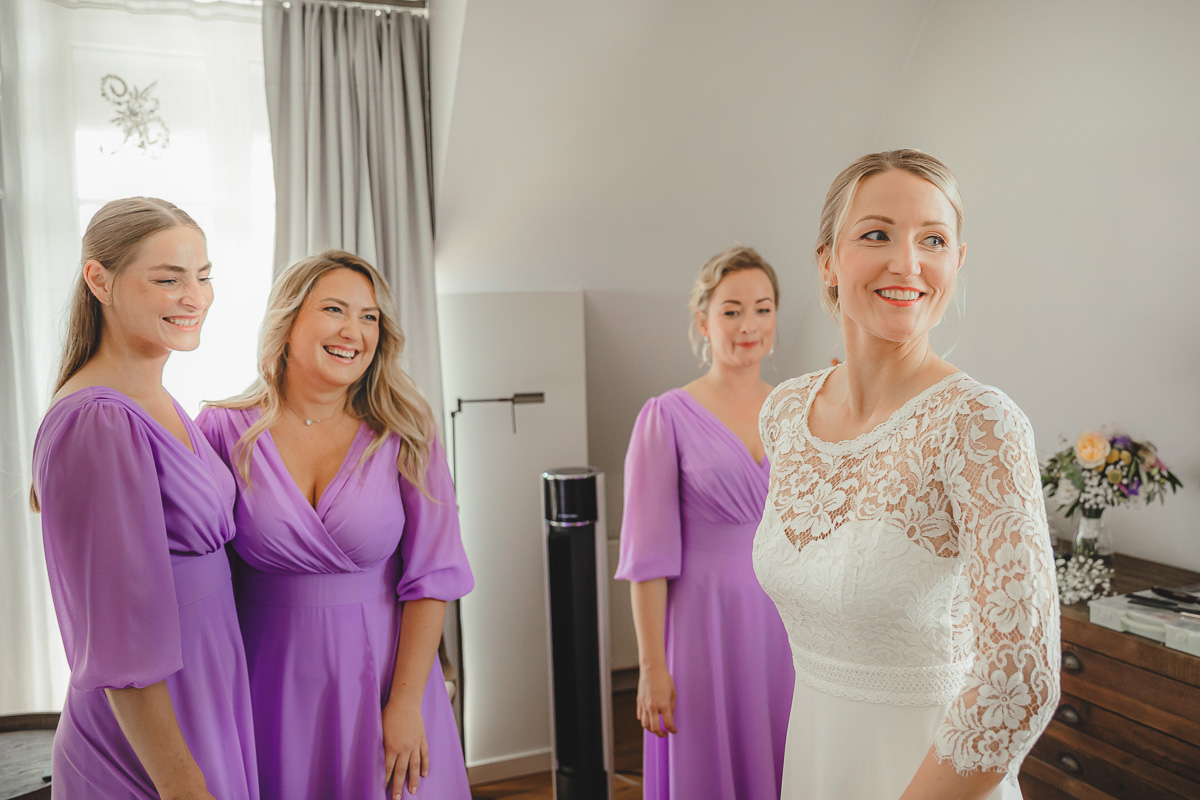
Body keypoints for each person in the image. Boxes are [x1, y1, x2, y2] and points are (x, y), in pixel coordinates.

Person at [754, 150, 1060, 800]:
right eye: (877, 234)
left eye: (933, 240)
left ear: (957, 261)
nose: (908, 263)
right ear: (827, 260)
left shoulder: (979, 424)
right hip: (815, 763)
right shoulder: (784, 412)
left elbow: (1020, 679)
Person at [197, 250, 473, 800]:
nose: (354, 331)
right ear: (288, 318)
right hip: (265, 685)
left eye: (369, 317)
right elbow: (200, 578)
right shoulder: (223, 429)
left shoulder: (405, 428)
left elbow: (434, 577)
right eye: (334, 310)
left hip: (387, 682)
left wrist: (405, 704)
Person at [30, 198, 258, 799]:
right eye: (168, 279)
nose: (195, 297)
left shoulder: (156, 398)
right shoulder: (98, 420)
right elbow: (119, 637)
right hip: (151, 741)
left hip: (206, 697)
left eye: (203, 276)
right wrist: (183, 785)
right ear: (99, 280)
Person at [615, 246, 795, 800]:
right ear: (703, 322)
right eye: (732, 311)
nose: (749, 326)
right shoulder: (666, 416)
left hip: (787, 625)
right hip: (702, 625)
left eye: (762, 309)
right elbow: (647, 558)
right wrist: (652, 666)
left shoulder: (796, 411)